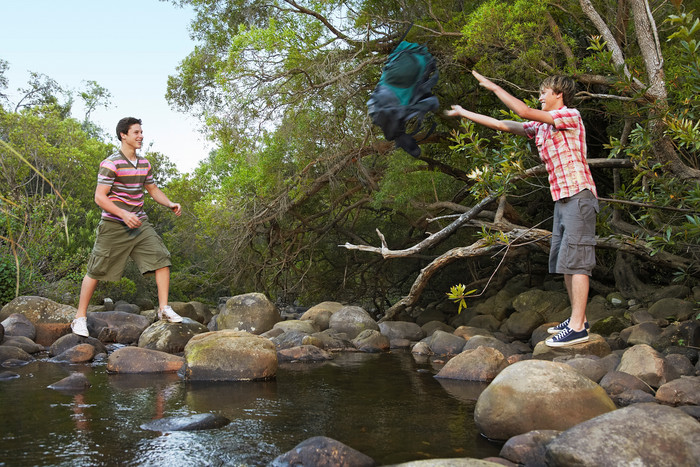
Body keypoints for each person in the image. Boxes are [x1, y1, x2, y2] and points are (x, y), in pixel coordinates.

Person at [446, 71, 598, 347]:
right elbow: (503, 124)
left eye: (544, 92)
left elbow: (523, 110)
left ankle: (578, 328)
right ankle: (580, 319)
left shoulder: (570, 115)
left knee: (578, 261)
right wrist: (464, 112)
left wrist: (493, 86)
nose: (540, 97)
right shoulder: (541, 127)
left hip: (579, 194)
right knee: (566, 261)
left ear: (558, 94)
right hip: (562, 199)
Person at [71, 117, 183, 337]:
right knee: (96, 269)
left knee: (162, 259)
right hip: (114, 224)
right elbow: (99, 197)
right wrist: (123, 213)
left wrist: (170, 203)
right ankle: (79, 318)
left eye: (141, 132)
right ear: (123, 135)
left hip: (139, 223)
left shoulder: (144, 163)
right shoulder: (111, 163)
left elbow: (152, 189)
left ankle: (163, 309)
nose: (141, 136)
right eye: (136, 133)